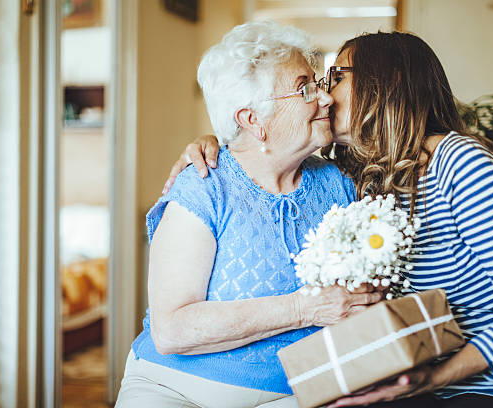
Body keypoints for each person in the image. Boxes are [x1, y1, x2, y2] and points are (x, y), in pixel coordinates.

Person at [167, 32, 493, 408]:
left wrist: (436, 377)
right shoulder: (363, 177)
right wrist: (217, 145)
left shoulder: (462, 165)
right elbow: (269, 146)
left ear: (384, 84)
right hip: (421, 384)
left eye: (335, 77)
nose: (323, 94)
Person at [115, 21, 384, 408]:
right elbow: (171, 329)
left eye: (319, 84)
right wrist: (303, 308)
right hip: (175, 389)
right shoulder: (204, 187)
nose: (325, 99)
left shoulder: (340, 184)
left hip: (301, 392)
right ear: (252, 119)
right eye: (305, 87)